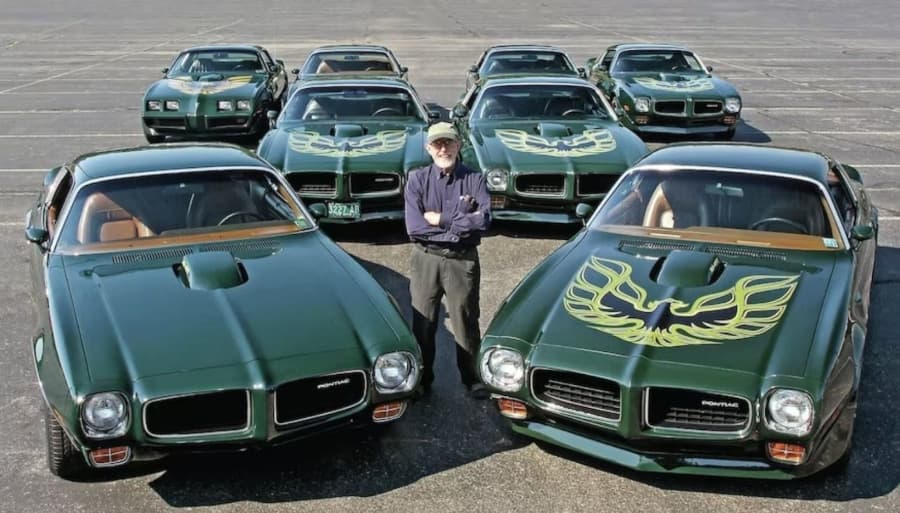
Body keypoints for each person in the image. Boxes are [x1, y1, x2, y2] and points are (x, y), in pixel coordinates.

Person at [404, 122, 491, 399]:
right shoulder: (417, 180)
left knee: (466, 320)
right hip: (426, 258)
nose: (444, 148)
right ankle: (421, 379)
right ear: (428, 148)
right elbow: (415, 227)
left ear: (458, 145)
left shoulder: (474, 179)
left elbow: (484, 220)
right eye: (437, 144)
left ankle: (472, 378)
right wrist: (461, 227)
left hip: (461, 261)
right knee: (423, 321)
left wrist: (441, 219)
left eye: (449, 143)